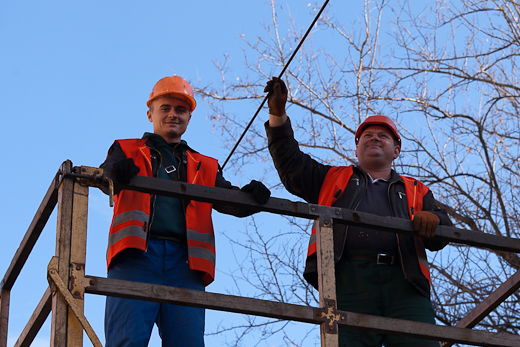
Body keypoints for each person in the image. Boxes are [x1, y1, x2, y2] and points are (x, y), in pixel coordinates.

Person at [264, 77, 452, 346]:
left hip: (405, 282)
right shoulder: (330, 178)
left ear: (396, 150)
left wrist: (433, 219)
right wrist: (278, 114)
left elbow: (444, 226)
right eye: (368, 135)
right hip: (347, 279)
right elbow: (291, 163)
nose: (374, 138)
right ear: (357, 147)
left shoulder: (416, 190)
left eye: (383, 136)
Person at [100, 75, 271, 347]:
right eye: (165, 108)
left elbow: (230, 201)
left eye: (180, 110)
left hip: (187, 264)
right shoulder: (126, 149)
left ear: (189, 117)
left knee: (187, 342)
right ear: (150, 113)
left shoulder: (206, 165)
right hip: (136, 257)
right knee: (127, 340)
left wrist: (253, 197)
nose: (172, 115)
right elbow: (103, 175)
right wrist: (114, 172)